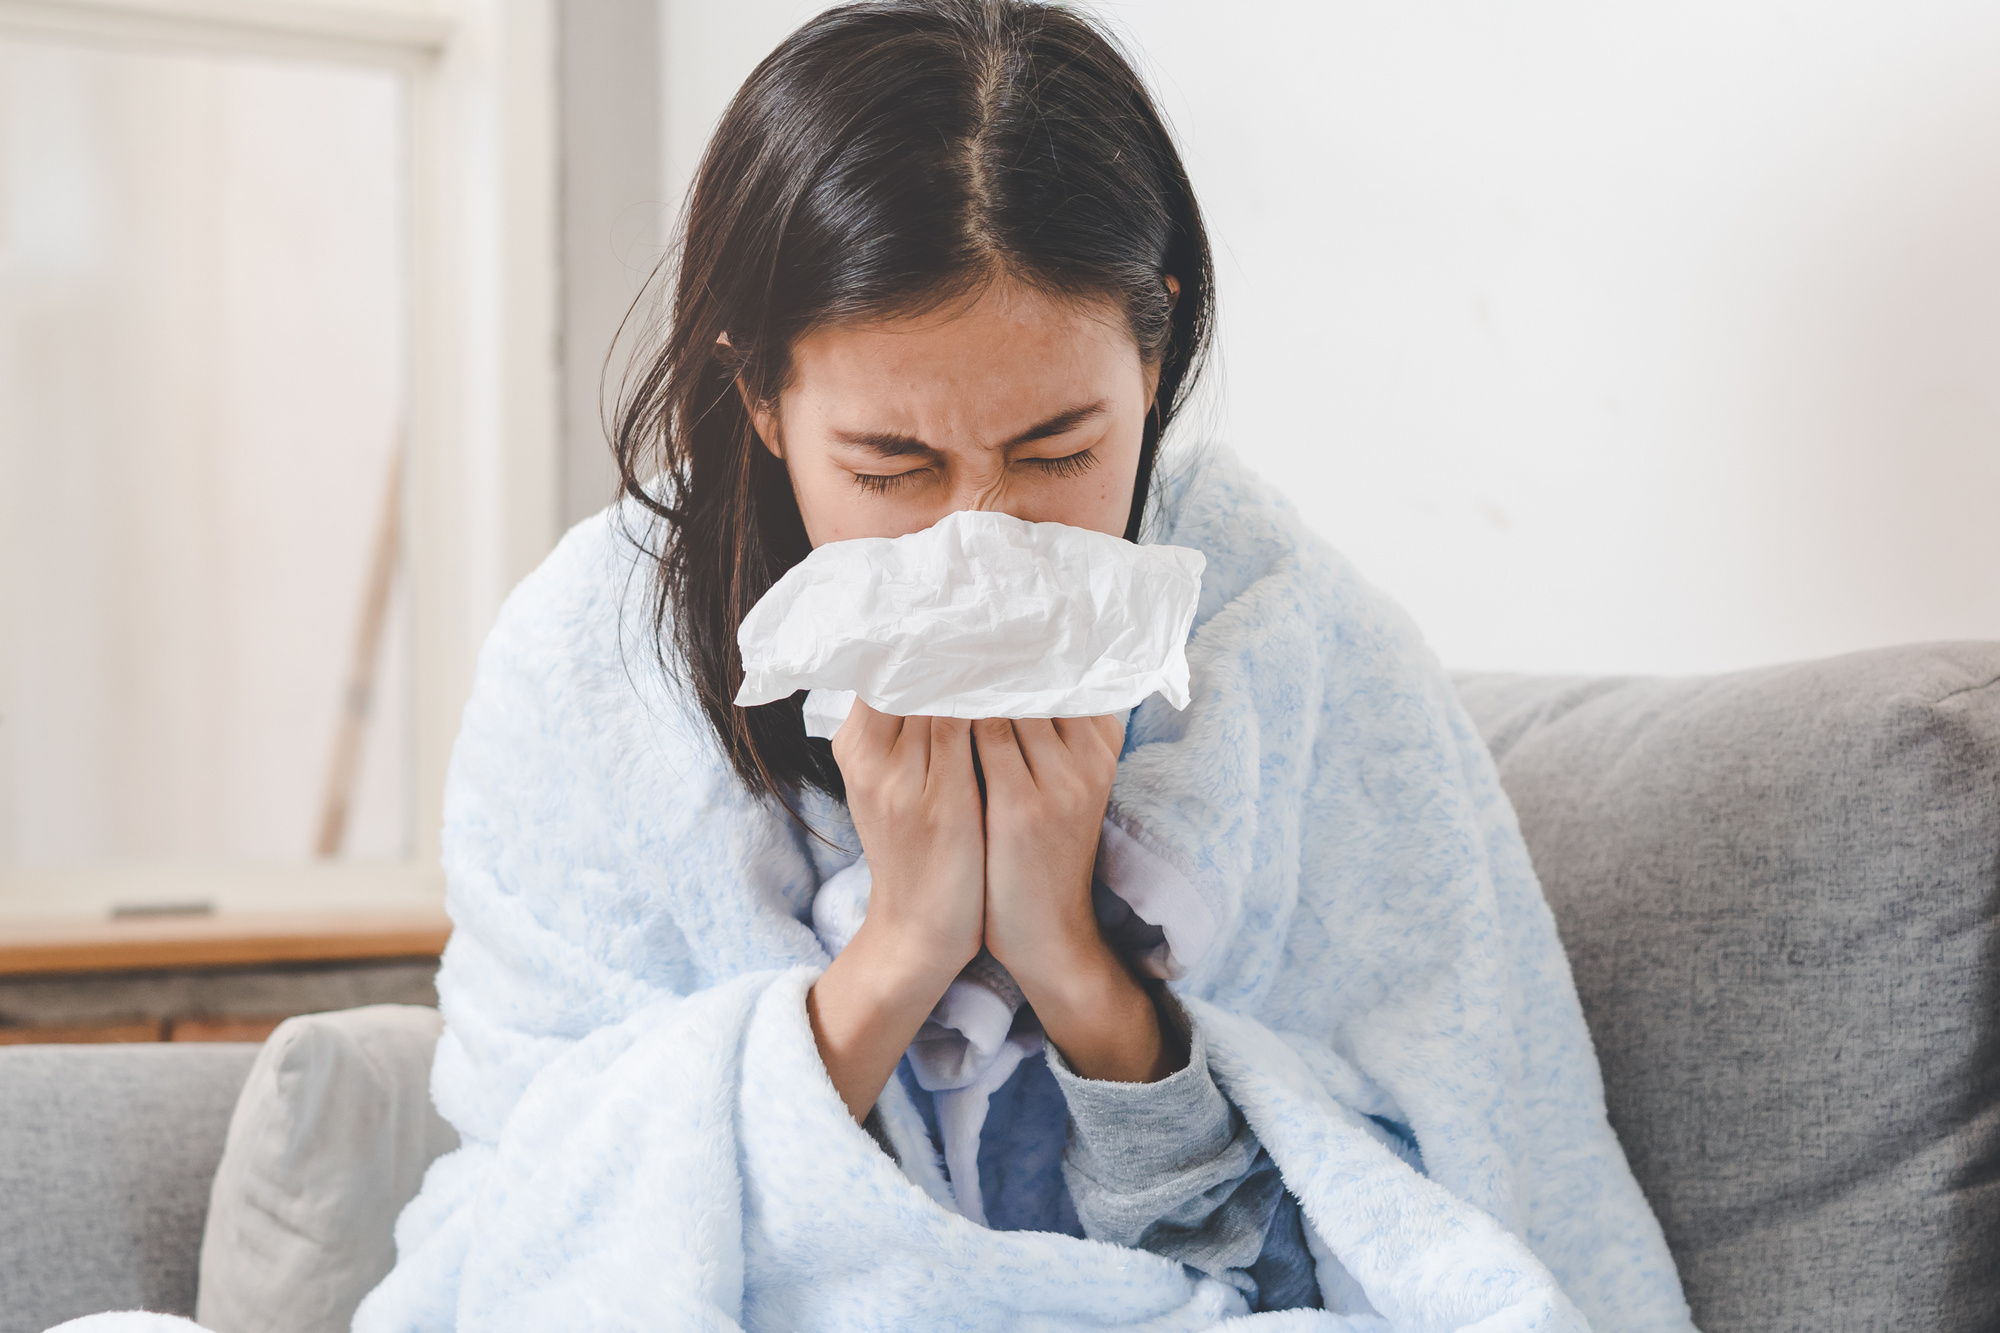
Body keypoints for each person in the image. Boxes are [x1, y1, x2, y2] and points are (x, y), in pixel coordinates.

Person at [356, 2, 1694, 1329]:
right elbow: (546, 1238)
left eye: (1059, 452)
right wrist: (899, 954)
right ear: (760, 393)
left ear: (1155, 352)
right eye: (892, 466)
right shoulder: (592, 670)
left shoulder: (1295, 646)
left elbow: (1406, 1234)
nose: (979, 544)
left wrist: (1077, 965)